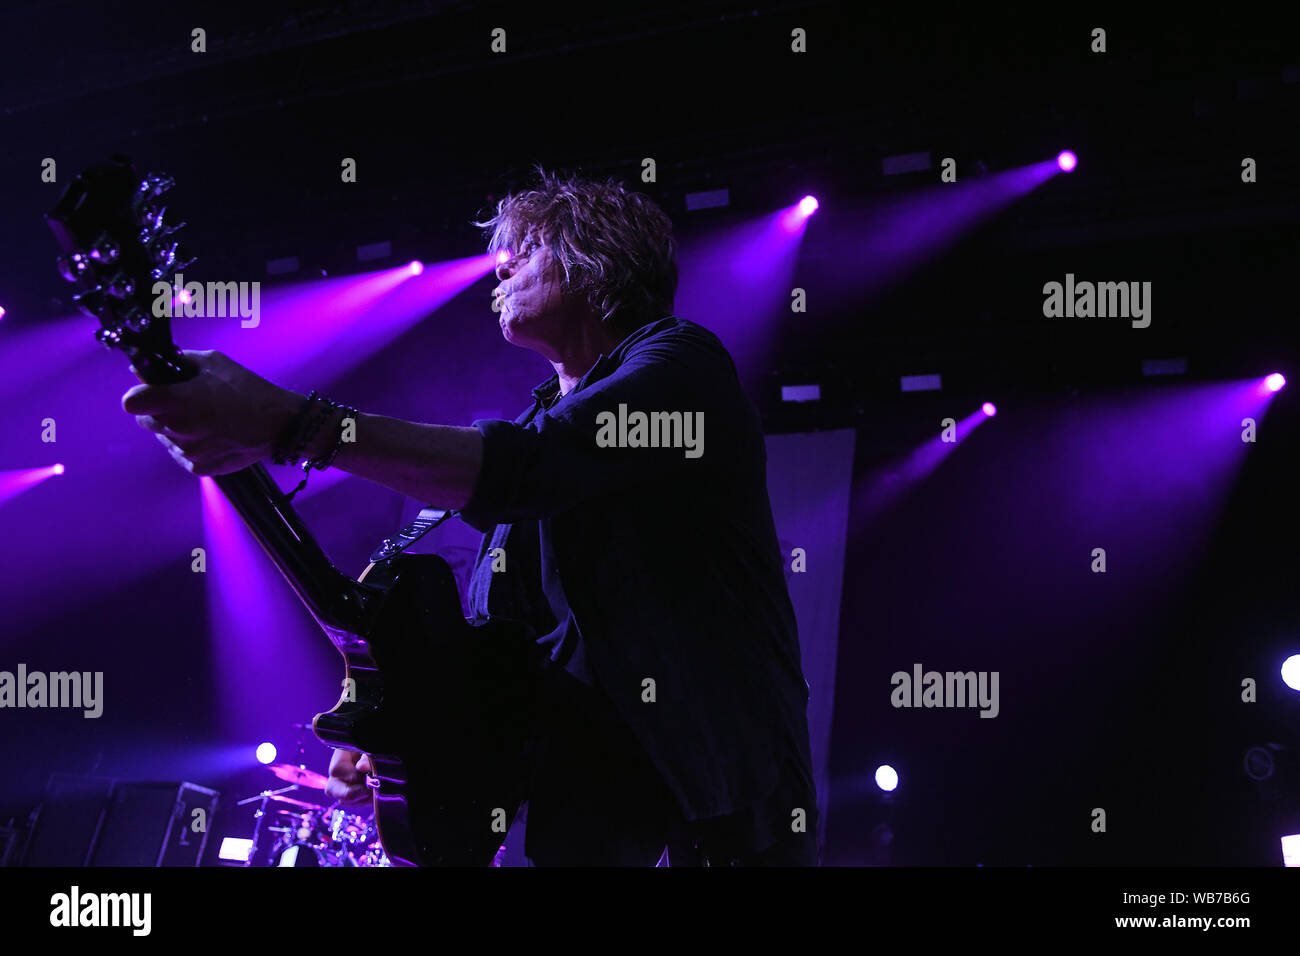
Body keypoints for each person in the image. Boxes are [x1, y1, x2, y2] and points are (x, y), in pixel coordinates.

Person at [122, 168, 819, 866]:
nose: (501, 265)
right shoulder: (539, 416)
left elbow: (529, 467)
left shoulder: (680, 361)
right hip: (593, 803)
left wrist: (297, 424)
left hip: (722, 792)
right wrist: (397, 731)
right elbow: (499, 648)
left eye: (527, 248)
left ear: (598, 260)